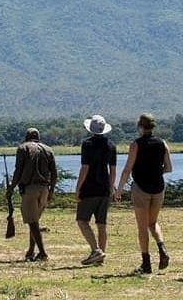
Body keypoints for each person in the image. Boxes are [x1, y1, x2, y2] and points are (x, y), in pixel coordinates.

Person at [114, 113, 173, 273]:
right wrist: (155, 170)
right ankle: (162, 248)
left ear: (140, 126)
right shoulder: (162, 143)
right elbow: (168, 168)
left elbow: (127, 169)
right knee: (153, 223)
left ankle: (146, 263)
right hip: (159, 188)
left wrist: (119, 189)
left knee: (142, 227)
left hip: (141, 188)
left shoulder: (136, 145)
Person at [9, 126, 57, 261]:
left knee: (32, 222)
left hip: (30, 189)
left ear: (26, 137)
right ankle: (31, 250)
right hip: (44, 189)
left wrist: (12, 187)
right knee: (34, 220)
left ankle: (42, 252)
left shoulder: (23, 148)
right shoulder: (48, 149)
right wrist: (51, 190)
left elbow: (18, 170)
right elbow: (54, 173)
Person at [74, 113, 116, 266]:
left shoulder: (87, 144)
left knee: (82, 220)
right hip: (104, 188)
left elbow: (85, 168)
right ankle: (101, 258)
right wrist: (111, 188)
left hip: (89, 188)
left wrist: (78, 188)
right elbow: (113, 170)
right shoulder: (111, 145)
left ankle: (96, 250)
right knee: (101, 224)